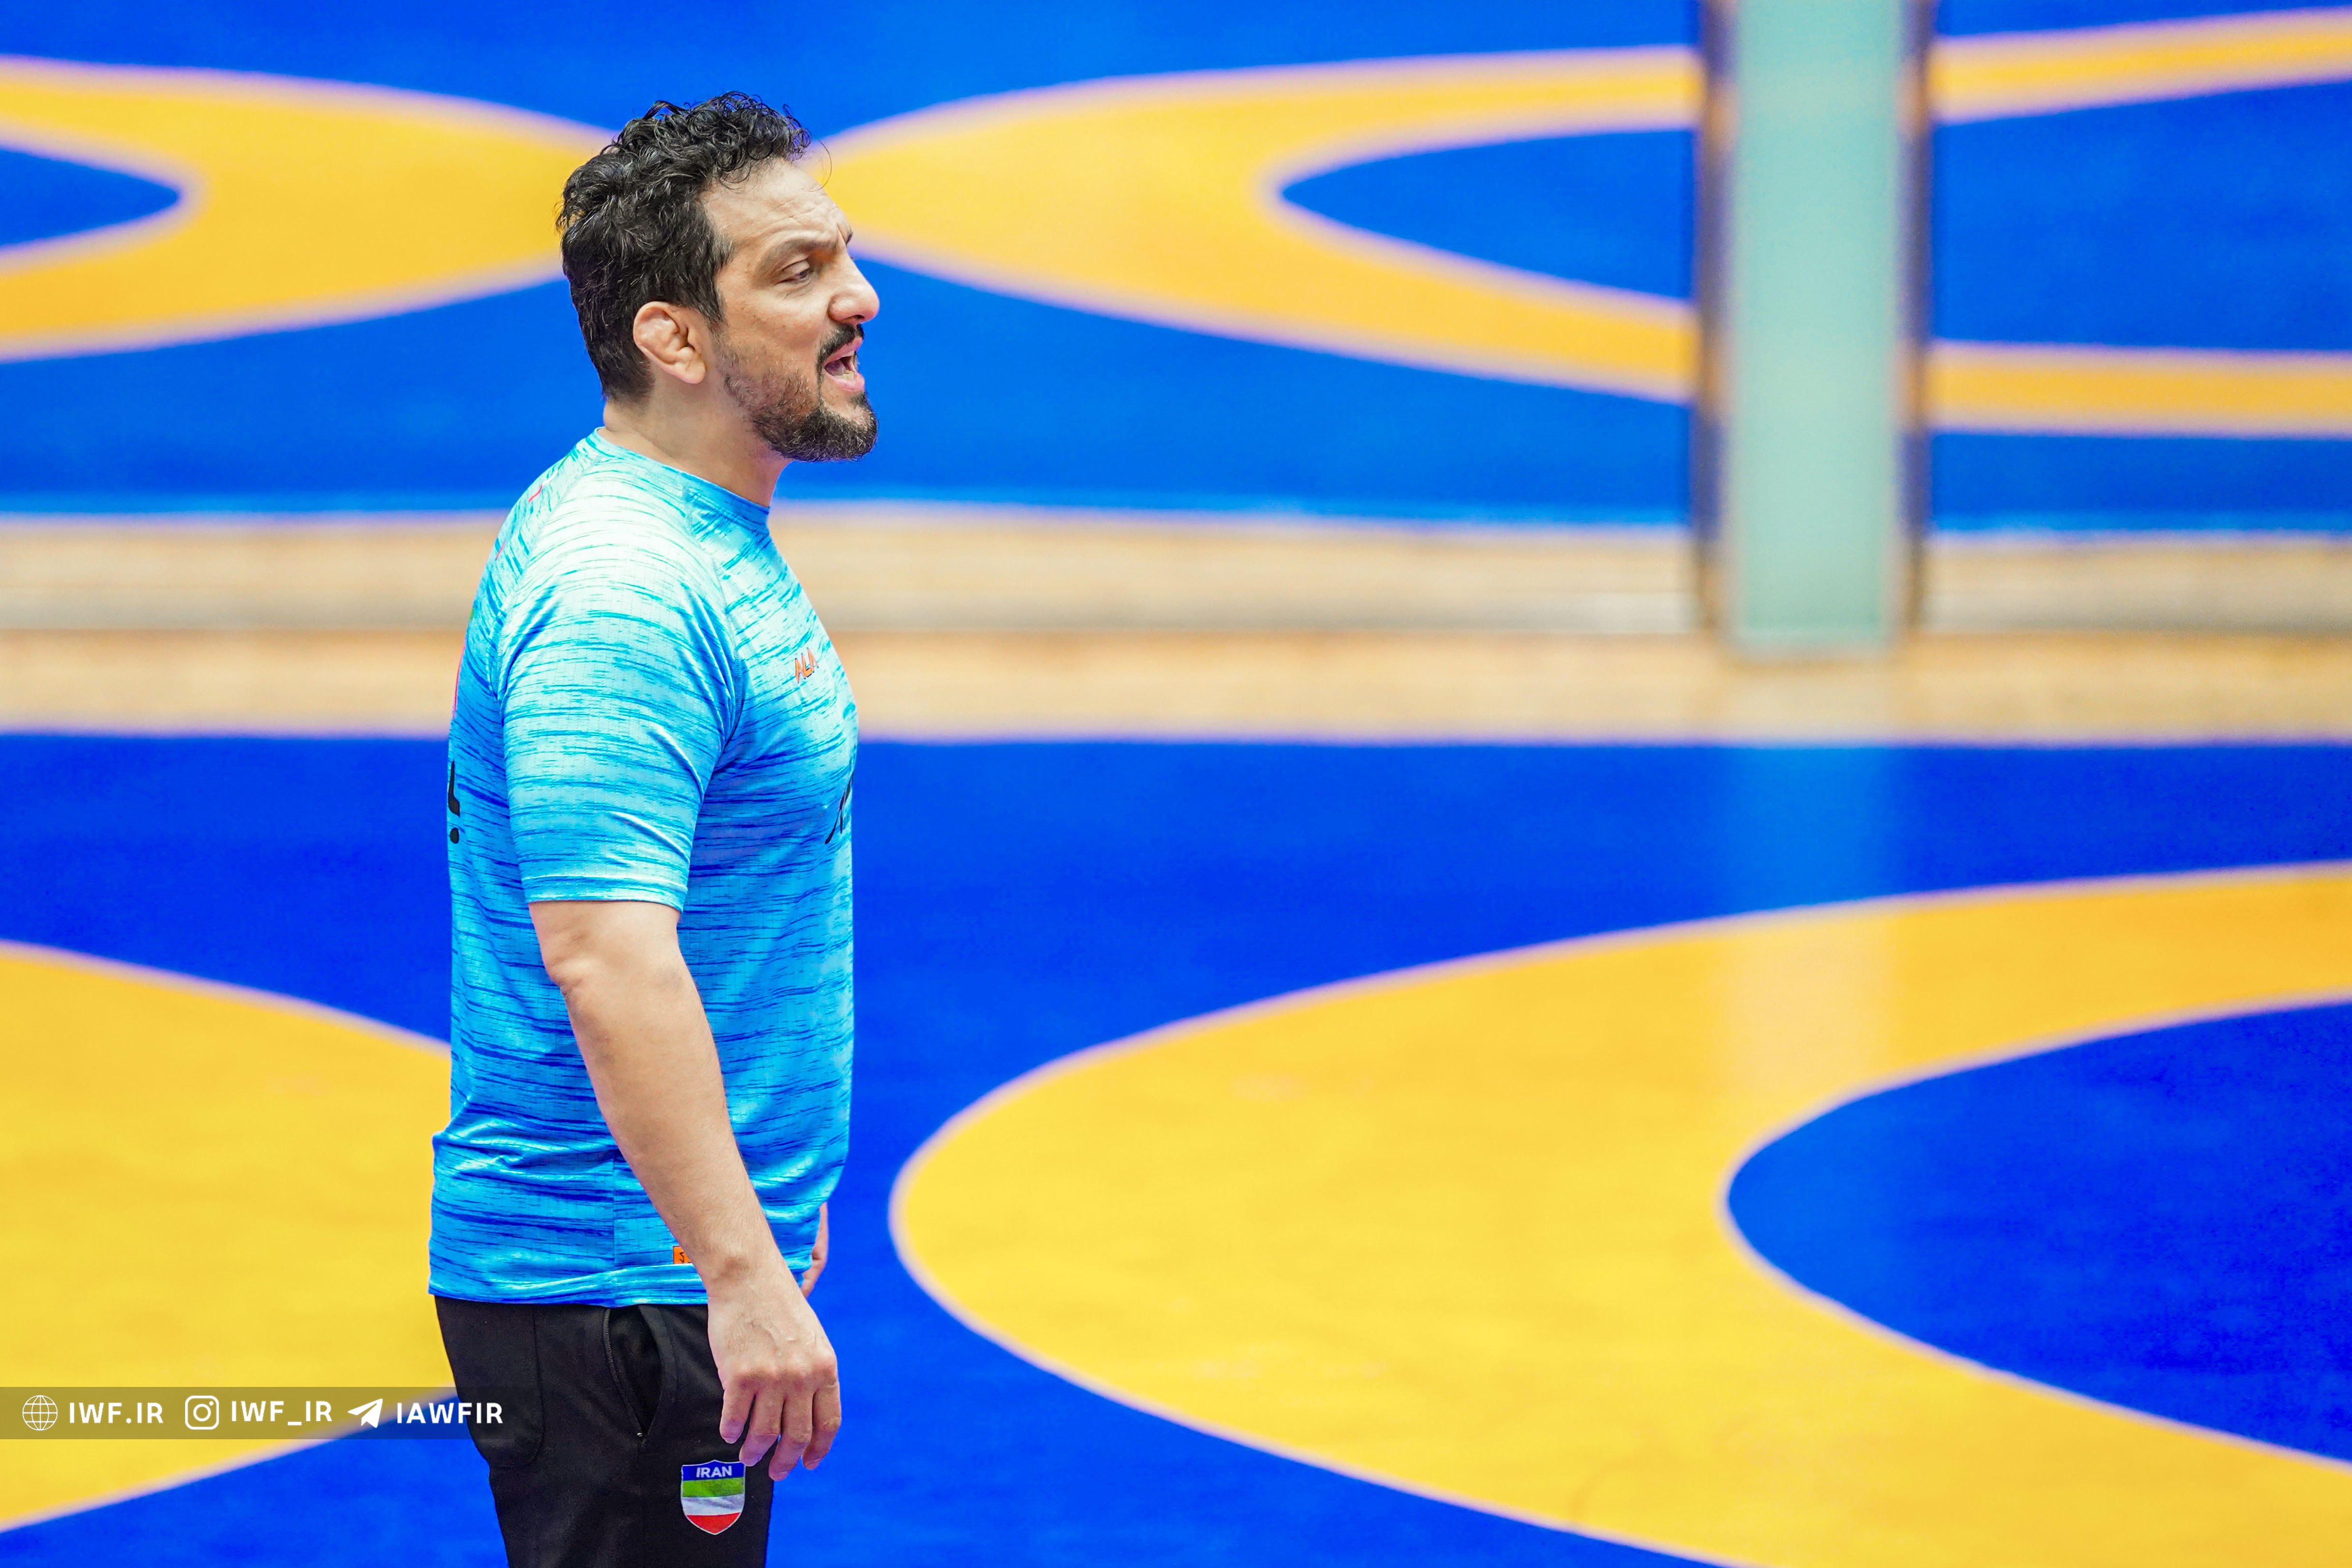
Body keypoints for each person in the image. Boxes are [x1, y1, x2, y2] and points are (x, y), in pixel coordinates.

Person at [431, 91, 878, 1568]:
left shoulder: (692, 535)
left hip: (654, 1271)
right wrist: (735, 1270)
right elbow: (606, 958)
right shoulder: (624, 593)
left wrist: (752, 1230)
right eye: (797, 271)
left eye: (843, 253)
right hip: (620, 1294)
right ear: (675, 339)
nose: (858, 298)